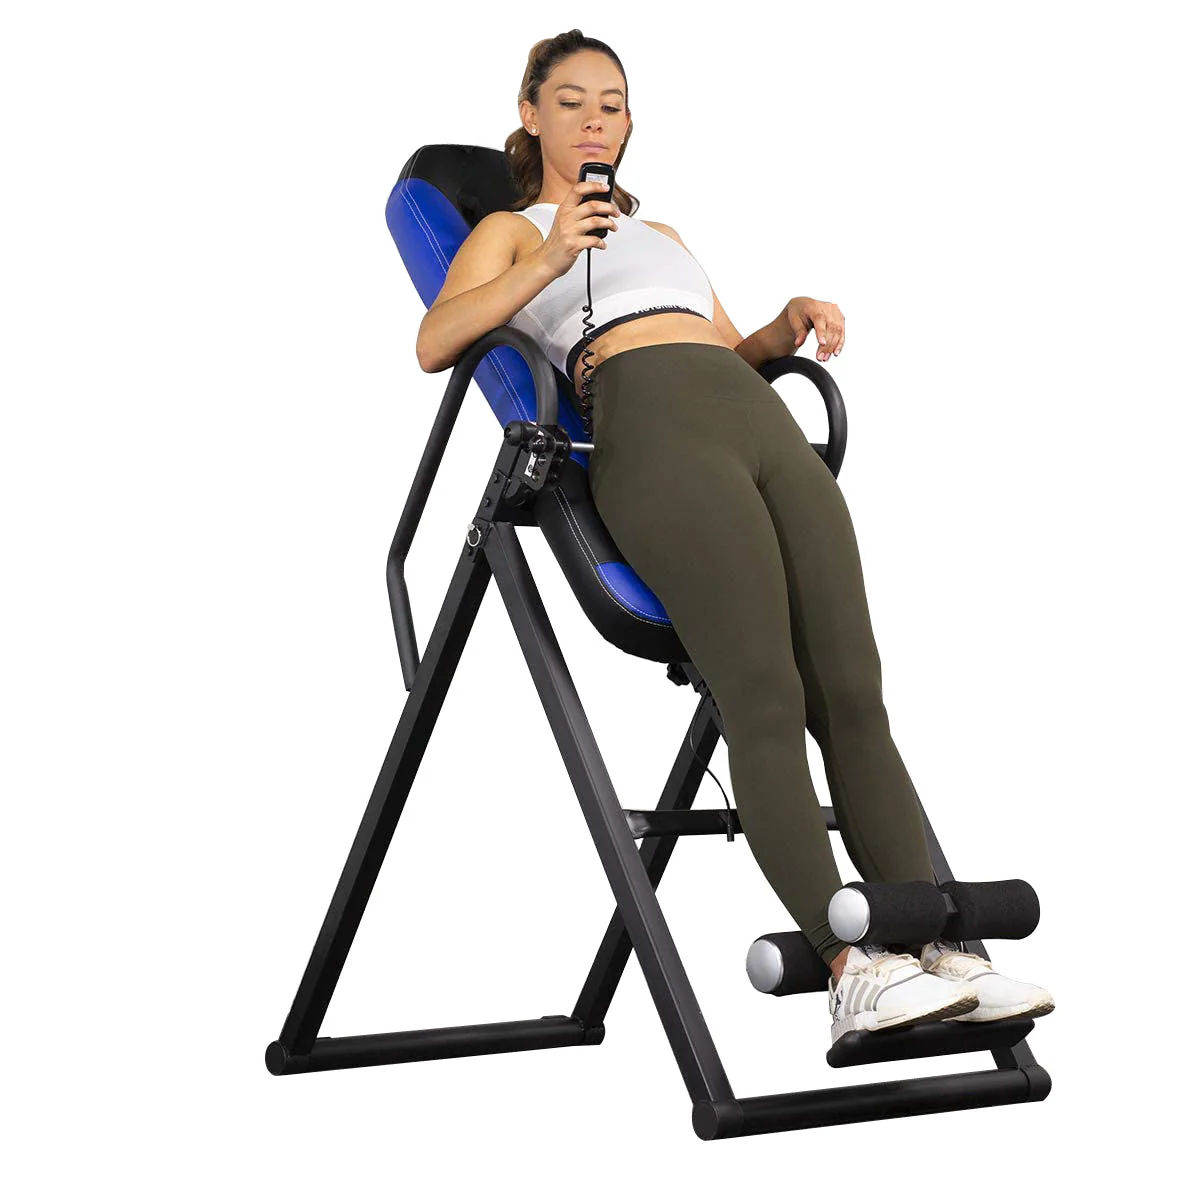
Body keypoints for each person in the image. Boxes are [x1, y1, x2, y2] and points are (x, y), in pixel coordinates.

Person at [416, 30, 1055, 1047]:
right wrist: (548, 257)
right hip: (652, 429)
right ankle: (850, 968)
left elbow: (721, 349)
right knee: (763, 691)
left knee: (853, 691)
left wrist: (779, 327)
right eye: (572, 101)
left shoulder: (662, 232)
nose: (595, 120)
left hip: (756, 424)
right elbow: (435, 341)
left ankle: (940, 950)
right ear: (531, 115)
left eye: (613, 104)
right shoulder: (510, 228)